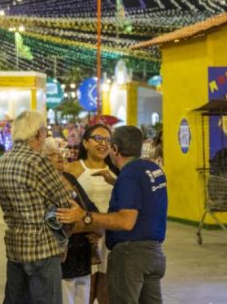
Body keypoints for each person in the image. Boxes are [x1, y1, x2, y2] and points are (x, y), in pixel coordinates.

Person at [56, 125, 167, 304]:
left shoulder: (128, 175)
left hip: (130, 255)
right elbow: (144, 197)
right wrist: (116, 183)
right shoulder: (152, 170)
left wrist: (86, 216)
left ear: (114, 149)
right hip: (154, 255)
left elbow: (126, 221)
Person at [0, 110, 72, 304]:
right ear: (38, 133)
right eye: (45, 132)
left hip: (15, 246)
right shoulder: (38, 161)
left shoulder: (1, 163)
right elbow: (64, 201)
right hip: (42, 247)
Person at [64, 124, 116, 304]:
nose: (103, 144)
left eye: (108, 140)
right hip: (84, 238)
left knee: (106, 291)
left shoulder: (116, 172)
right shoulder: (72, 169)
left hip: (109, 237)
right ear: (85, 143)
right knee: (85, 291)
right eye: (98, 139)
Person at [44, 139, 99, 304]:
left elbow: (89, 205)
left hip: (82, 250)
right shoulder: (45, 183)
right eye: (53, 154)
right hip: (63, 253)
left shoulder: (68, 177)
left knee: (83, 296)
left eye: (59, 152)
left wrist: (93, 225)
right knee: (65, 297)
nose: (60, 156)